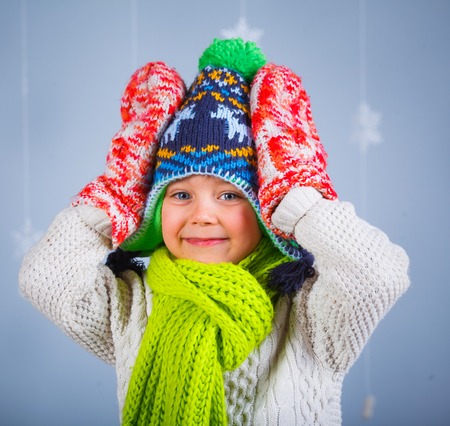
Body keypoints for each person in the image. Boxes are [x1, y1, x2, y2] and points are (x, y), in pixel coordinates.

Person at [19, 38, 410, 425]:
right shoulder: (135, 304)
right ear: (153, 210)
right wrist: (114, 194)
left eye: (228, 195)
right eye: (181, 194)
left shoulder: (310, 309)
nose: (202, 215)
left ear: (266, 209)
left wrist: (298, 197)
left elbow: (377, 276)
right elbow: (45, 278)